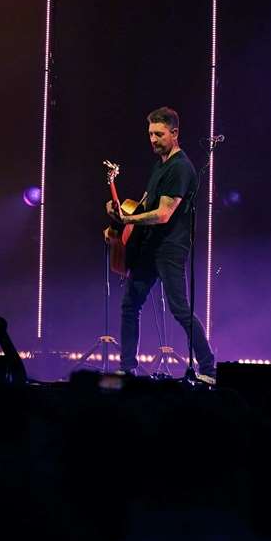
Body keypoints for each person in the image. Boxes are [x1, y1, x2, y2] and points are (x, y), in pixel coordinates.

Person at [105, 107, 216, 383]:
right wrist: (118, 220)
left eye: (159, 134)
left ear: (174, 133)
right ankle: (127, 367)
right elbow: (146, 203)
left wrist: (130, 217)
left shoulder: (180, 167)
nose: (153, 139)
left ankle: (209, 368)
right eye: (150, 134)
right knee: (130, 305)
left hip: (170, 248)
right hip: (150, 246)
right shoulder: (160, 165)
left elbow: (164, 213)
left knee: (180, 308)